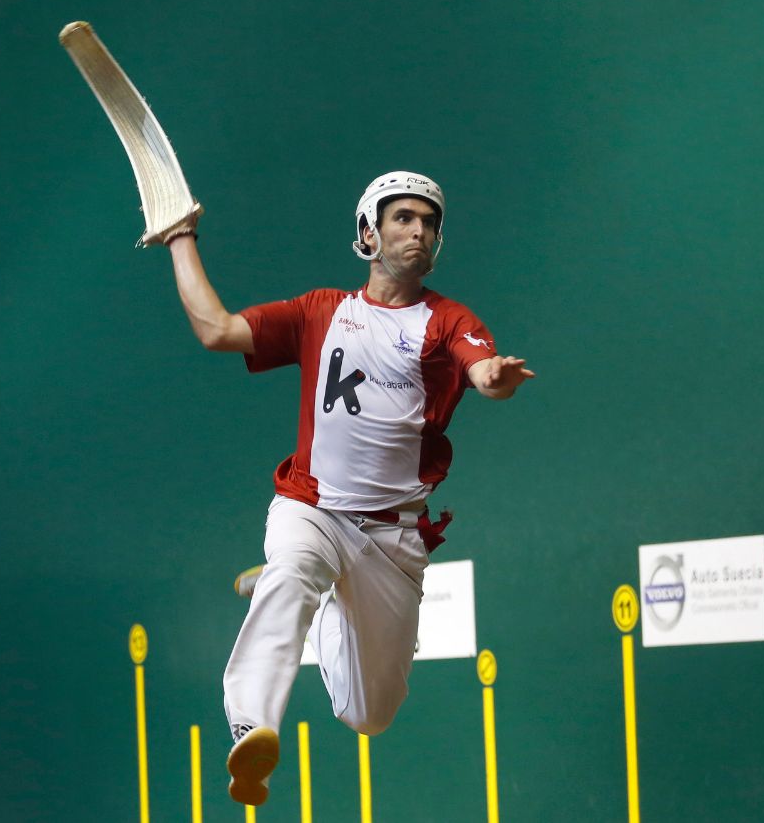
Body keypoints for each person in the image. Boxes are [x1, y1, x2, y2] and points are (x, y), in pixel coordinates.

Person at [159, 170, 533, 807]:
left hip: (393, 534)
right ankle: (252, 725)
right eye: (403, 218)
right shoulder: (320, 311)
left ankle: (327, 595)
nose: (419, 231)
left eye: (429, 222)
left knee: (369, 714)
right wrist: (178, 237)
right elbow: (216, 330)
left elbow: (482, 371)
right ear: (368, 232)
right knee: (292, 570)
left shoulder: (448, 320)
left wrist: (494, 378)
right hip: (312, 507)